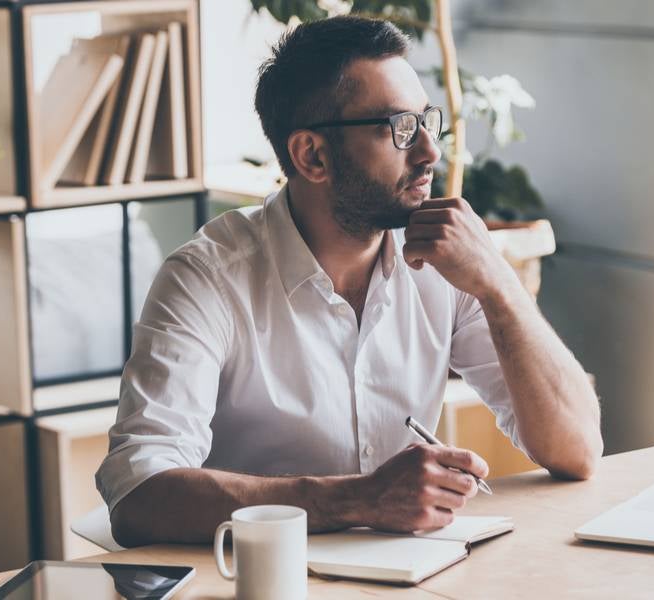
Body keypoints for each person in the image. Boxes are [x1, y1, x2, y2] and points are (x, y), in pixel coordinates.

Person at [97, 15, 603, 546]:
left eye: (427, 121)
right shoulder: (206, 280)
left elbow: (578, 449)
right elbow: (138, 495)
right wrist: (358, 499)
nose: (431, 151)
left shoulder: (449, 261)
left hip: (413, 576)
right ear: (312, 155)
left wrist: (499, 285)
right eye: (399, 129)